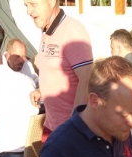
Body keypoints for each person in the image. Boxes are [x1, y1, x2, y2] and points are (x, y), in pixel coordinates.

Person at [26, 0, 93, 141]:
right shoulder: (47, 32)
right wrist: (42, 90)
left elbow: (87, 79)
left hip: (70, 130)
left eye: (33, 4)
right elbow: (58, 72)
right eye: (26, 5)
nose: (28, 11)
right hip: (51, 125)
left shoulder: (72, 31)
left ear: (51, 2)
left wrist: (74, 127)